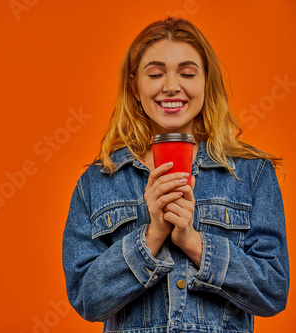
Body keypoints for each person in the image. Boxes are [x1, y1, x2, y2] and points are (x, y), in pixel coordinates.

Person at [62, 17, 289, 333]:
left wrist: (193, 241)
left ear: (206, 82)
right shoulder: (98, 181)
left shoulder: (252, 174)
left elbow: (273, 291)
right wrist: (152, 235)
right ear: (134, 87)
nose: (171, 85)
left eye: (187, 73)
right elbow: (87, 300)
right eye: (155, 74)